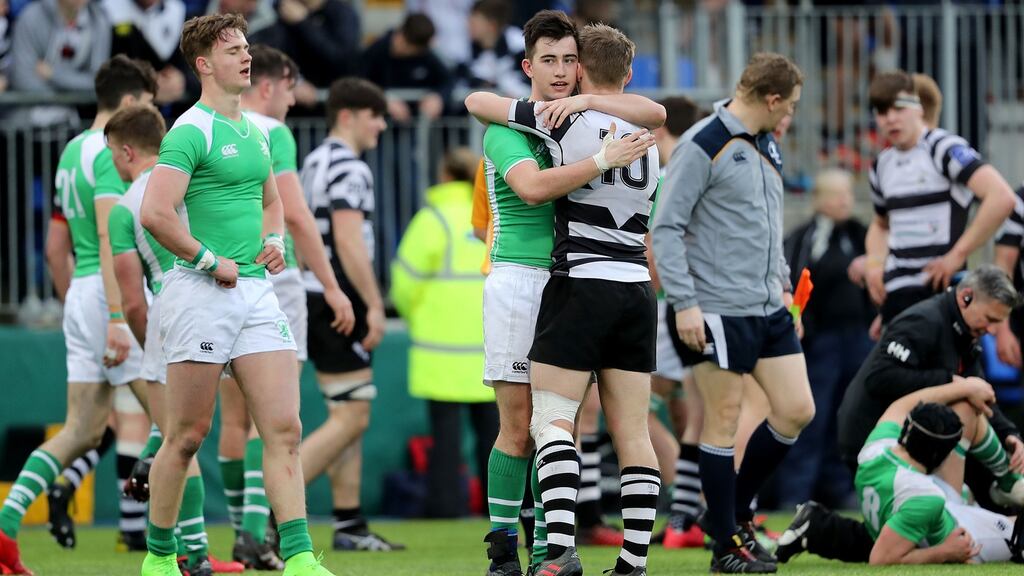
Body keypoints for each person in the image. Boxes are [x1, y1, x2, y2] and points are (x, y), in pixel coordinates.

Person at [464, 10, 663, 576]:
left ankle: (555, 546)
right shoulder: (516, 128)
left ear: (583, 67)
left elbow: (652, 110)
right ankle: (504, 546)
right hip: (519, 280)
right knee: (518, 421)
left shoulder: (578, 121)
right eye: (548, 60)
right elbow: (527, 186)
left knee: (559, 423)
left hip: (568, 279)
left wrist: (586, 114)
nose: (559, 71)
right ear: (527, 66)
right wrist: (600, 158)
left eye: (569, 61)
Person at [138, 13, 334, 576]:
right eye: (232, 51)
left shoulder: (256, 130)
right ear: (204, 64)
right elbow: (154, 213)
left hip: (255, 293)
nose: (246, 57)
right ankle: (158, 556)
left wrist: (273, 241)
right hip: (199, 292)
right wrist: (208, 260)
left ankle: (298, 555)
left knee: (285, 428)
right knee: (185, 437)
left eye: (247, 48)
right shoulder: (190, 130)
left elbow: (272, 203)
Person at [651, 52, 813, 574]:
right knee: (721, 420)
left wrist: (786, 292)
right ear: (771, 99)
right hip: (715, 308)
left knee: (796, 409)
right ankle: (726, 546)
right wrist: (686, 304)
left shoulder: (766, 143)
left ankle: (727, 513)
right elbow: (666, 230)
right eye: (788, 105)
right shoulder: (703, 144)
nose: (788, 115)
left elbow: (766, 226)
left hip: (768, 306)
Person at [0, 55, 155, 575]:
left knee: (82, 432)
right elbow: (115, 239)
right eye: (147, 106)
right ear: (130, 102)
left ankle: (4, 529)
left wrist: (79, 311)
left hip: (82, 293)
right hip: (111, 292)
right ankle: (189, 553)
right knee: (178, 421)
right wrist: (113, 315)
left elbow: (52, 247)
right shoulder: (110, 153)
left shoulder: (70, 151)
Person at [778, 265, 1024, 564]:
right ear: (967, 298)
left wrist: (1009, 433)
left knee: (907, 523)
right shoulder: (923, 321)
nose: (993, 329)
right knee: (911, 526)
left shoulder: (964, 329)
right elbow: (881, 377)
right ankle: (1004, 488)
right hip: (875, 437)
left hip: (891, 441)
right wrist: (952, 382)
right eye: (990, 319)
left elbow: (979, 391)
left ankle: (817, 527)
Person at [106, 103, 247, 576]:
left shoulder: (127, 205)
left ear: (126, 152)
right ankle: (202, 552)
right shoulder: (194, 176)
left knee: (177, 438)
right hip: (233, 294)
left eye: (113, 154)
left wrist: (152, 347)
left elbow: (131, 300)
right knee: (203, 435)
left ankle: (180, 553)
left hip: (175, 306)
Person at [298, 75, 403, 552]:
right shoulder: (351, 169)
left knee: (346, 407)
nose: (381, 124)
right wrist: (373, 304)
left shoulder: (314, 161)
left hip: (311, 293)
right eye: (374, 114)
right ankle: (270, 511)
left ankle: (348, 524)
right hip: (336, 297)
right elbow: (346, 238)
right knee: (353, 418)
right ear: (348, 115)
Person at [390, 147, 497, 517]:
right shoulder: (493, 215)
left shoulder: (433, 219)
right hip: (488, 346)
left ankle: (446, 507)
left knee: (446, 440)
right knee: (495, 437)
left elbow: (404, 282)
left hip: (440, 352)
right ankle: (496, 508)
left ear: (445, 175)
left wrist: (417, 318)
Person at [865, 70, 1015, 325]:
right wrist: (874, 265)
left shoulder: (941, 147)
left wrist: (956, 256)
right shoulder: (881, 164)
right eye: (882, 112)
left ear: (919, 109)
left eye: (898, 109)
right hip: (897, 296)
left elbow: (1001, 197)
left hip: (942, 290)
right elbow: (880, 225)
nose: (890, 119)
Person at [778, 168, 874, 509]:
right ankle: (796, 492)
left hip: (859, 340)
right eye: (836, 194)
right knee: (811, 416)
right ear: (818, 200)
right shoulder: (805, 238)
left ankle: (840, 488)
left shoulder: (861, 235)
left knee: (847, 414)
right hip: (820, 344)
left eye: (848, 192)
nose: (844, 200)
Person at [856, 380, 1022, 565]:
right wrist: (944, 552)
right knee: (1019, 534)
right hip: (955, 533)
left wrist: (964, 388)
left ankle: (1008, 481)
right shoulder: (925, 496)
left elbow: (900, 405)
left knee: (965, 407)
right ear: (940, 456)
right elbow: (880, 560)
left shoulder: (874, 448)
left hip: (918, 506)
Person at [646, 95, 706, 550]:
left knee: (634, 404)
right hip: (702, 302)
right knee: (694, 403)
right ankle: (702, 503)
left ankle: (690, 507)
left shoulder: (668, 177)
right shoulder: (703, 171)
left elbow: (653, 249)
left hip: (674, 303)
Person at [10, 0, 112, 125]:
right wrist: (71, 94)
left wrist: (53, 75)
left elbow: (98, 82)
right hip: (28, 126)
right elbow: (23, 79)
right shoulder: (31, 17)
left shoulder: (99, 19)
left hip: (76, 123)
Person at [360, 13, 451, 122]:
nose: (402, 48)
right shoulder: (376, 51)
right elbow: (359, 82)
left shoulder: (426, 55)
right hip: (381, 125)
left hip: (413, 125)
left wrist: (438, 97)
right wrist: (383, 98)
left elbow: (448, 79)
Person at [103, 0, 189, 104]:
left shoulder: (178, 11)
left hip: (170, 110)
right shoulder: (104, 10)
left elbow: (190, 63)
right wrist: (143, 86)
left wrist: (181, 80)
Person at [274, 0, 360, 88]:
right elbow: (272, 54)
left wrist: (303, 23)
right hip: (290, 86)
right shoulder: (283, 9)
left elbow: (341, 58)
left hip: (330, 90)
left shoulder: (342, 13)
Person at [454, 0, 529, 98]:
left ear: (491, 25)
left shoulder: (518, 45)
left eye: (474, 23)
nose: (468, 26)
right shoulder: (466, 50)